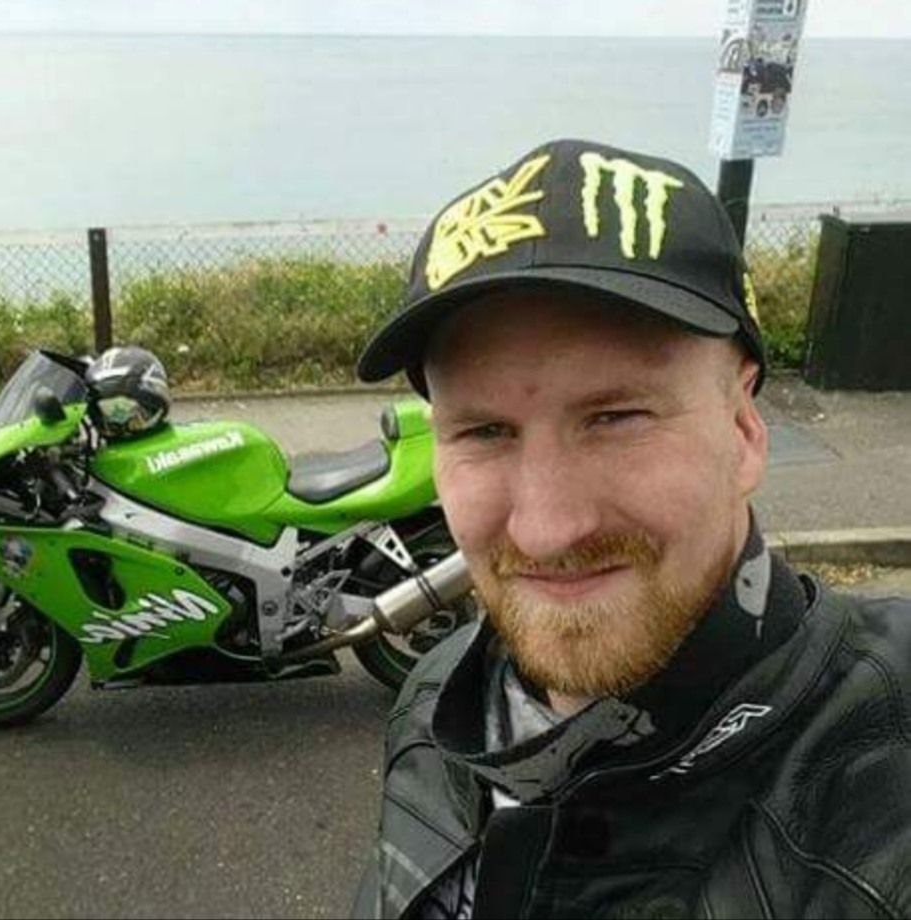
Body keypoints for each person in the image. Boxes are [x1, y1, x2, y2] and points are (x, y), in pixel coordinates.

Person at [350, 138, 911, 919]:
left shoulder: (881, 777)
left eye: (615, 417)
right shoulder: (436, 698)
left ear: (745, 431)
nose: (545, 530)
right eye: (483, 432)